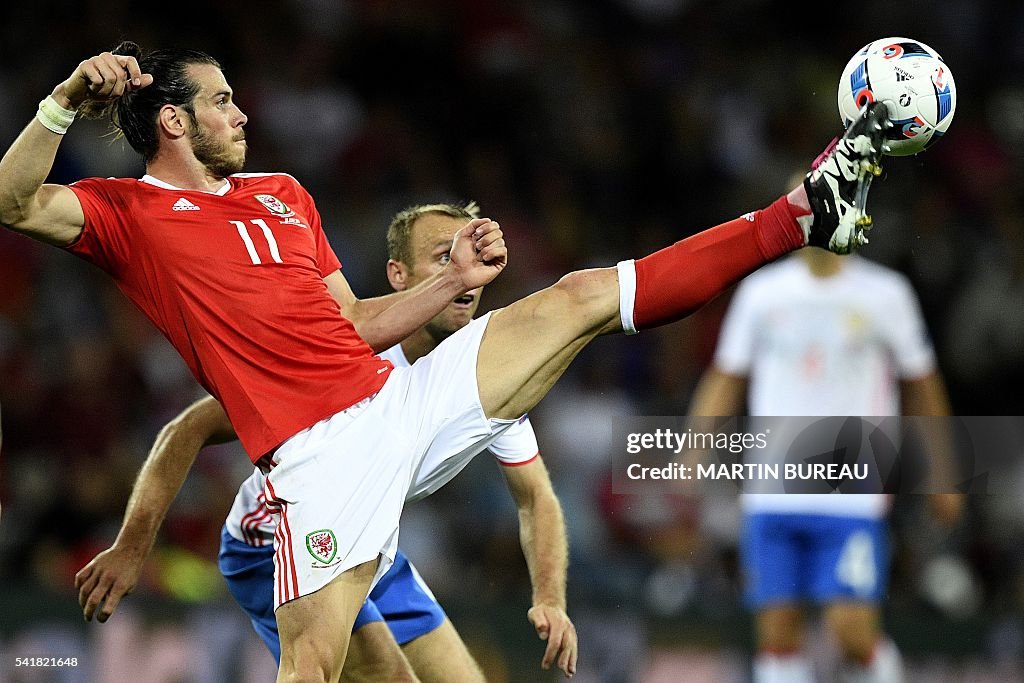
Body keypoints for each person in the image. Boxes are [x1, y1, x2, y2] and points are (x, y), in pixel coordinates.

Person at [0, 43, 892, 681]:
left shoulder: (281, 195)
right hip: (319, 458)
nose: (242, 112)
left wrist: (454, 282)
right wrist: (63, 103)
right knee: (320, 668)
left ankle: (801, 212)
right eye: (223, 101)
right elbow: (11, 201)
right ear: (173, 121)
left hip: (397, 400)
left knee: (575, 298)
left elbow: (354, 324)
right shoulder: (122, 212)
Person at [75, 202, 575, 681]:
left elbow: (536, 496)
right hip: (274, 543)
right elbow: (189, 426)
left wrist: (550, 596)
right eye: (444, 257)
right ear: (398, 276)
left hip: (374, 547)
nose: (464, 269)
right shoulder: (335, 355)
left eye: (468, 253)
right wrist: (132, 545)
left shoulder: (479, 379)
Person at [688, 240, 962, 682]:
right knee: (777, 633)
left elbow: (922, 384)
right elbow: (726, 375)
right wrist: (691, 452)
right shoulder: (761, 292)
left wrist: (943, 473)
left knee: (850, 628)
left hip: (852, 494)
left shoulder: (885, 294)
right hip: (772, 491)